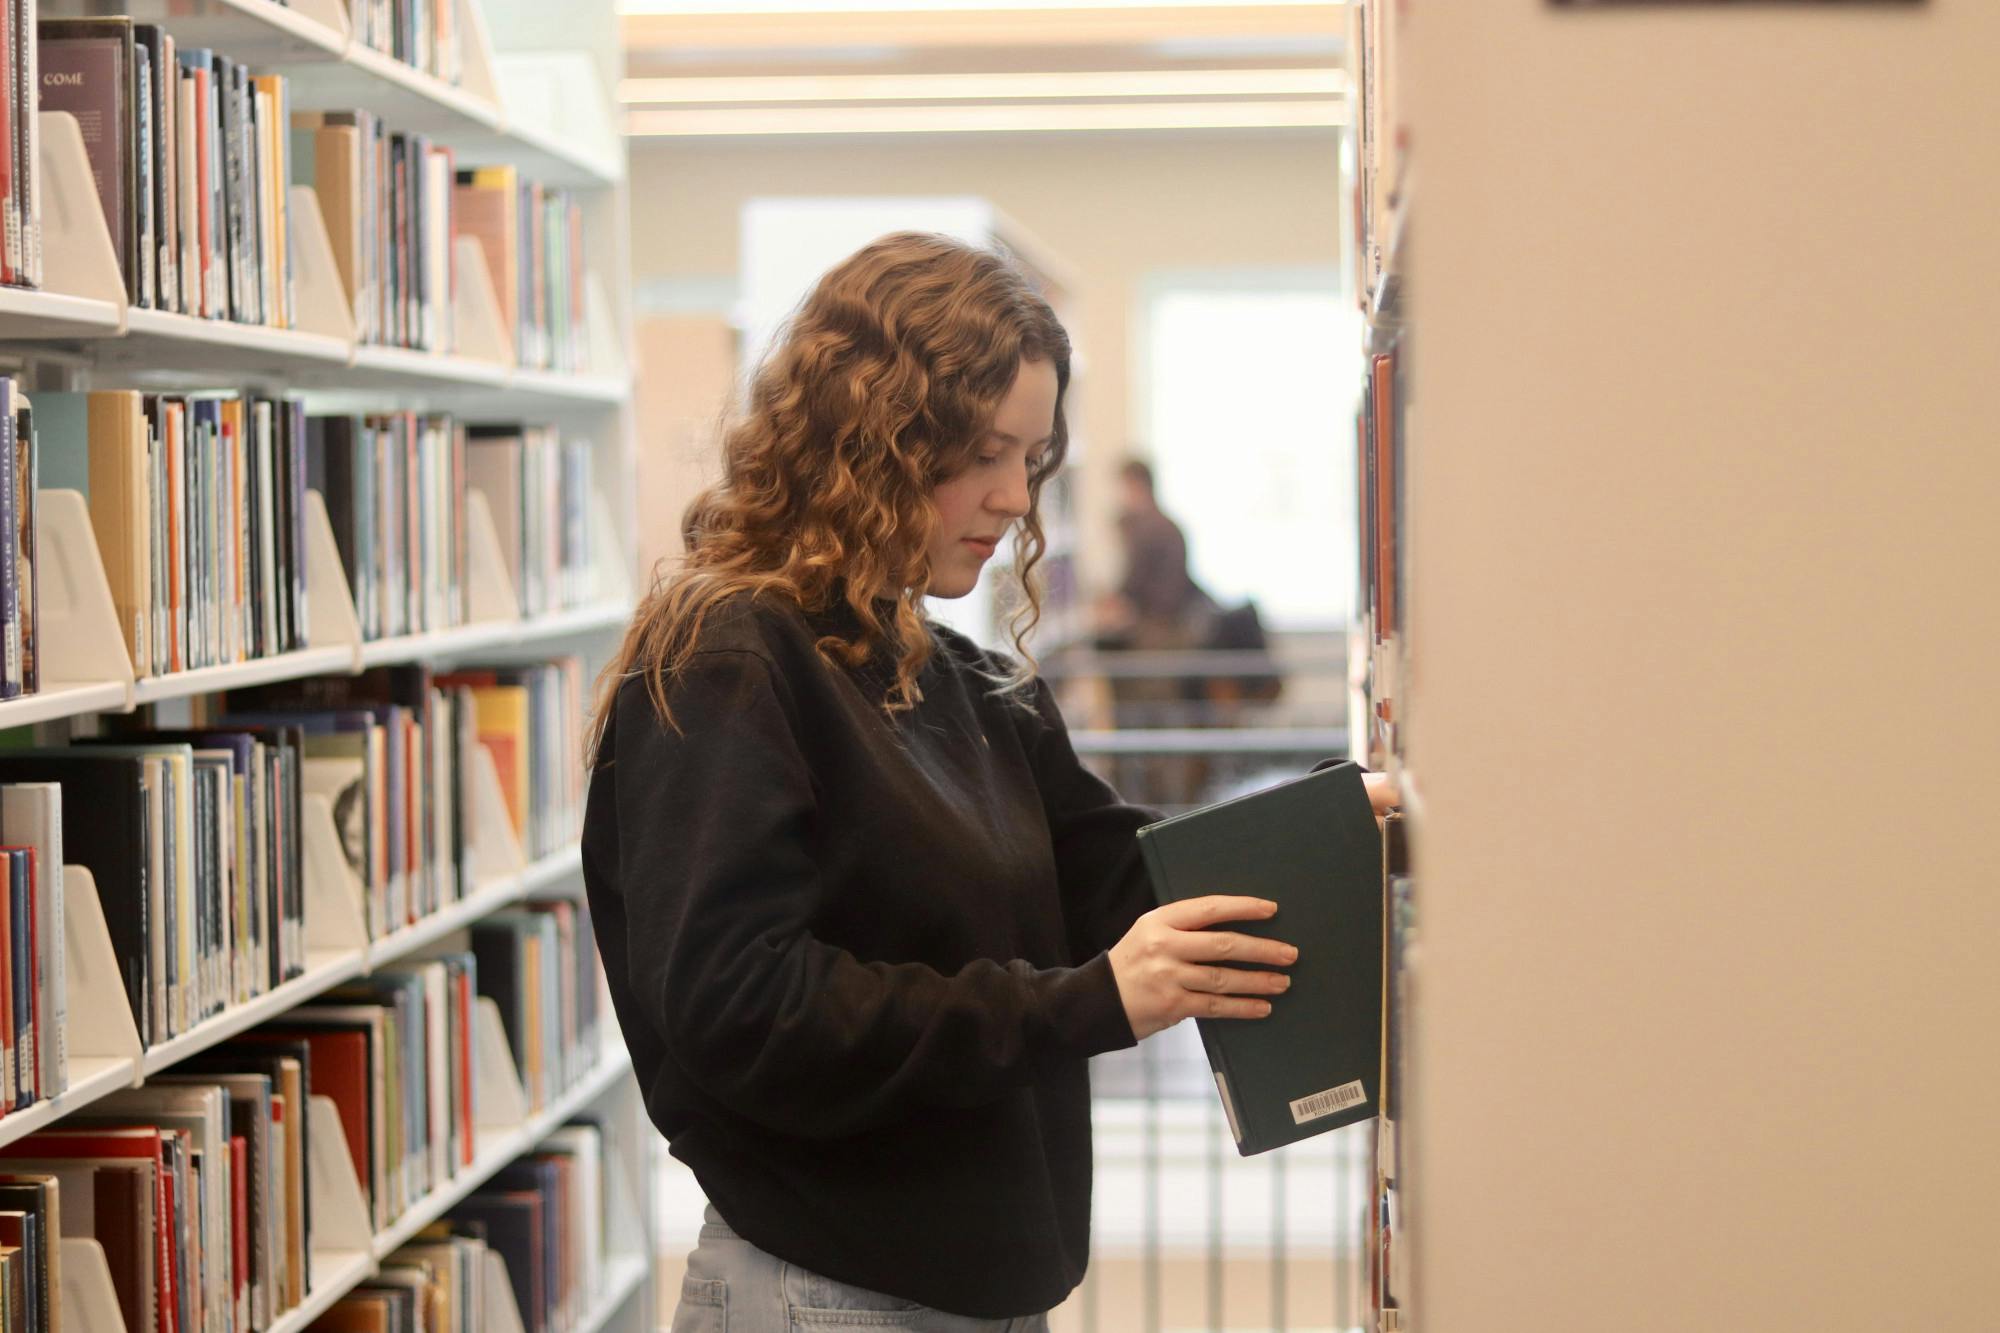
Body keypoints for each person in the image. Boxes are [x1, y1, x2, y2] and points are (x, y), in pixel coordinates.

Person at [580, 232, 1396, 1329]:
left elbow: (1111, 875)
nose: (1014, 496)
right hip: (829, 1294)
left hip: (976, 1292)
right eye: (983, 453)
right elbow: (743, 1009)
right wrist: (1088, 1002)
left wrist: (1331, 827)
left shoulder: (958, 675)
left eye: (1033, 458)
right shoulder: (730, 659)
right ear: (868, 438)